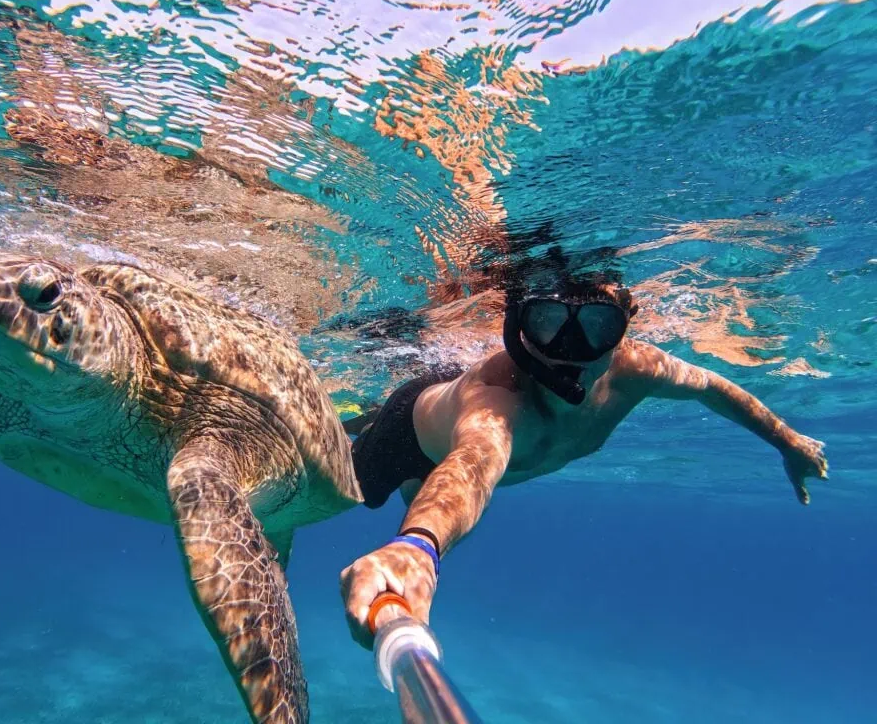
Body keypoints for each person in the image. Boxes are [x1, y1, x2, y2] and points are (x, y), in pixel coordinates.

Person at [340, 276, 829, 648]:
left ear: (623, 328)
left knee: (411, 495)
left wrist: (787, 441)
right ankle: (367, 417)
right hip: (407, 434)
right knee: (346, 489)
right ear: (521, 329)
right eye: (548, 324)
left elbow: (712, 387)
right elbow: (473, 463)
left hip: (440, 450)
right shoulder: (499, 396)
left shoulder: (637, 368)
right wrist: (418, 547)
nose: (570, 351)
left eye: (597, 327)